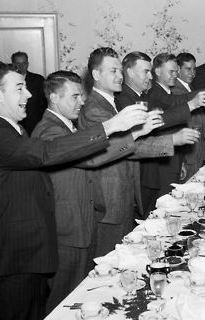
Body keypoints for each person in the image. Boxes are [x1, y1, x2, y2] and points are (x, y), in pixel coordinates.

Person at [0, 62, 153, 320]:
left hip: (28, 254)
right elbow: (46, 153)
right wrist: (110, 126)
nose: (29, 94)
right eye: (19, 88)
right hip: (14, 259)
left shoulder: (12, 131)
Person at [31, 70, 160, 311]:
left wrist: (136, 133)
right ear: (54, 98)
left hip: (82, 223)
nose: (81, 102)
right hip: (67, 229)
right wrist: (131, 134)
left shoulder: (66, 125)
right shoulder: (49, 130)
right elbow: (90, 159)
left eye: (81, 96)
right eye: (75, 97)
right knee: (62, 301)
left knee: (80, 294)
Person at [78, 47, 176, 257]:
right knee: (108, 263)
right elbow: (116, 149)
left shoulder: (111, 104)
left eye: (120, 71)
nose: (120, 75)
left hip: (122, 198)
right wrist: (160, 137)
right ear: (96, 75)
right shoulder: (95, 108)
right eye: (112, 71)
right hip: (109, 204)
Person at [115, 51, 205, 216]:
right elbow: (150, 128)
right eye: (145, 71)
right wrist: (192, 105)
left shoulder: (140, 95)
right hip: (146, 172)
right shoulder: (122, 99)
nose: (149, 77)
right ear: (129, 72)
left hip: (156, 167)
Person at [146, 53, 205, 196]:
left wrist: (180, 162)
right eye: (171, 71)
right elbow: (175, 106)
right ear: (157, 71)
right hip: (162, 165)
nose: (175, 75)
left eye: (176, 71)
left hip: (174, 161)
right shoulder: (155, 94)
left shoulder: (167, 93)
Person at [172, 52, 205, 180]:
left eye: (194, 69)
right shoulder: (176, 91)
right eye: (188, 69)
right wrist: (182, 160)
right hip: (187, 156)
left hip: (197, 151)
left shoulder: (190, 88)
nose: (192, 73)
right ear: (178, 70)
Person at [11, 51, 47, 136]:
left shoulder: (38, 80)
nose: (21, 66)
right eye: (18, 63)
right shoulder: (9, 81)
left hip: (34, 124)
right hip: (14, 124)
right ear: (13, 64)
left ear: (27, 64)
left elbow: (44, 103)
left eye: (24, 63)